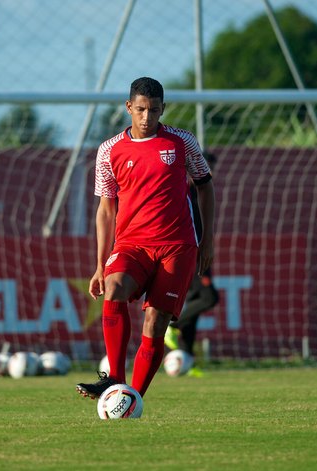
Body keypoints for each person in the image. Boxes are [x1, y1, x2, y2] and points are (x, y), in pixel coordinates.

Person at [76, 76, 215, 399]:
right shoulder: (109, 150)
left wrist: (207, 241)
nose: (147, 117)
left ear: (162, 108)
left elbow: (206, 185)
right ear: (128, 108)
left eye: (154, 110)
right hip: (131, 245)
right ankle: (114, 380)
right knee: (113, 288)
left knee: (155, 322)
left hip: (177, 247)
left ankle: (132, 397)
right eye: (140, 110)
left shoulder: (182, 142)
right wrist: (99, 264)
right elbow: (106, 208)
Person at [164, 151, 221, 375]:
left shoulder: (201, 190)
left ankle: (187, 360)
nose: (211, 171)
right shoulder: (186, 189)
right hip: (191, 251)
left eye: (213, 166)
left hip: (200, 250)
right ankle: (172, 324)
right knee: (209, 297)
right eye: (208, 166)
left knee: (197, 301)